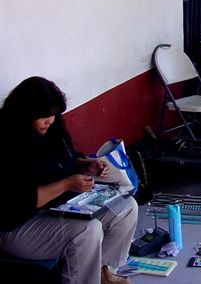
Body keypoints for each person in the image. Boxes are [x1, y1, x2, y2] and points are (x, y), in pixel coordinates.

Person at [0, 76, 138, 284]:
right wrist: (67, 184)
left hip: (55, 209)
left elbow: (67, 157)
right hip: (16, 226)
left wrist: (85, 164)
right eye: (44, 116)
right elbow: (20, 201)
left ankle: (102, 273)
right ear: (25, 113)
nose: (50, 120)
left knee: (125, 207)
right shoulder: (7, 141)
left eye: (53, 115)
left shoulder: (51, 129)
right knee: (87, 231)